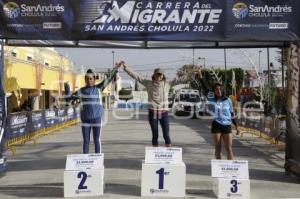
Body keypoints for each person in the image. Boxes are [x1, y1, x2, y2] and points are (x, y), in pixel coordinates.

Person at [121, 61, 186, 147]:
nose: (159, 76)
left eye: (160, 75)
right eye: (157, 74)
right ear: (154, 75)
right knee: (155, 134)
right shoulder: (148, 83)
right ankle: (155, 153)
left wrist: (192, 74)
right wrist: (126, 68)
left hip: (164, 113)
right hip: (153, 113)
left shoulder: (167, 84)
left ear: (163, 76)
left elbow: (180, 80)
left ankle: (169, 154)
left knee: (166, 134)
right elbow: (136, 76)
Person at [65, 62, 122, 154]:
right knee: (86, 141)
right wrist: (67, 88)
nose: (89, 80)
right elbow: (68, 97)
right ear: (85, 80)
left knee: (96, 139)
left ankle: (98, 159)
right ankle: (85, 160)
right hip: (85, 120)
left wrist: (115, 68)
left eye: (90, 78)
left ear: (94, 79)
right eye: (87, 79)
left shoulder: (99, 88)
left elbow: (109, 78)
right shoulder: (81, 91)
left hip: (96, 119)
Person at [197, 68, 240, 160]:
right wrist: (200, 76)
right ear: (214, 91)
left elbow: (232, 113)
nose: (219, 91)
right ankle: (219, 170)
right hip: (216, 125)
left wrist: (236, 126)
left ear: (223, 90)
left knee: (228, 148)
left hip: (227, 125)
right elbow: (205, 86)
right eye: (216, 89)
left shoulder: (228, 100)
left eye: (220, 89)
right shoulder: (212, 99)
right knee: (217, 148)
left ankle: (231, 169)